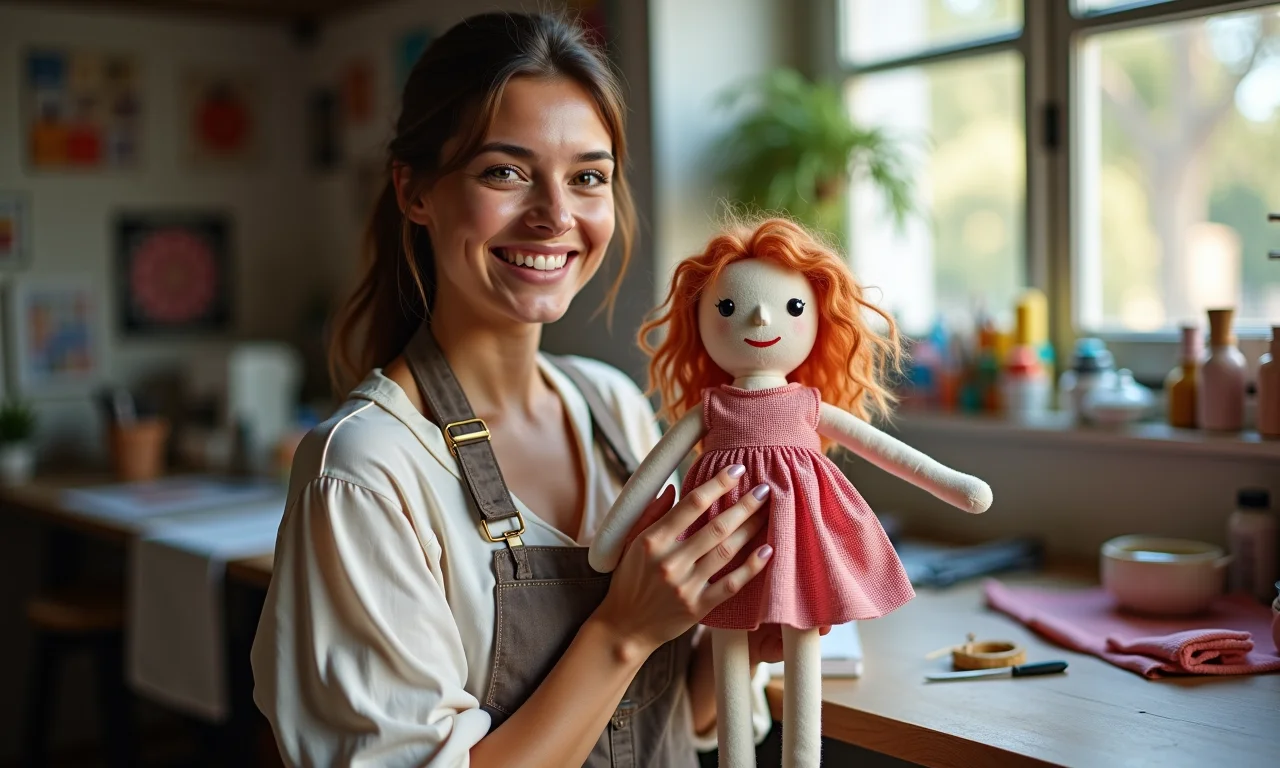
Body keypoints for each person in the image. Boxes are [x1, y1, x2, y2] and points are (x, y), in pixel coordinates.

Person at [251, 12, 783, 767]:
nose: (555, 216)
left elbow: (672, 719)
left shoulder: (614, 411)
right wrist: (623, 630)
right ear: (414, 191)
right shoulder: (365, 471)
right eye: (504, 171)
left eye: (587, 177)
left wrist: (750, 633)